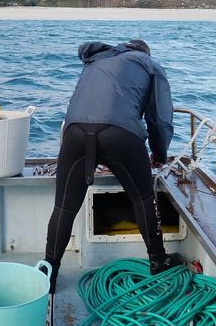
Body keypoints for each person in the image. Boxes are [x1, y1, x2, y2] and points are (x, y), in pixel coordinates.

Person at [42, 39, 179, 293]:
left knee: (64, 206)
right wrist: (159, 154)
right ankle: (158, 259)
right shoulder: (151, 66)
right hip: (120, 134)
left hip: (74, 132)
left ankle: (48, 274)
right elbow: (159, 119)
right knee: (143, 197)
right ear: (145, 53)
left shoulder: (97, 61)